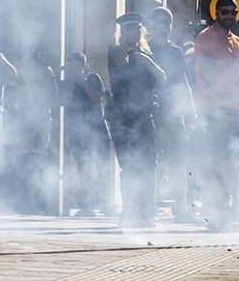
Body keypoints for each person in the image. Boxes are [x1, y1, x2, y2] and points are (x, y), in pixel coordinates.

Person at [193, 0, 239, 230]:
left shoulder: (238, 42)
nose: (229, 16)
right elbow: (203, 76)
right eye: (225, 12)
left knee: (231, 167)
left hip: (236, 113)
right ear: (216, 13)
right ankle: (215, 216)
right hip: (215, 113)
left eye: (233, 12)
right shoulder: (205, 39)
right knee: (214, 166)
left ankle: (225, 214)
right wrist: (212, 110)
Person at [107, 13, 166, 229]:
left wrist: (147, 61)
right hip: (123, 116)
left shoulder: (148, 52)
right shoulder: (115, 50)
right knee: (130, 166)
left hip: (145, 115)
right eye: (128, 30)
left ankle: (147, 212)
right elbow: (119, 63)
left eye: (136, 30)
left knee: (149, 165)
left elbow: (162, 77)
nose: (133, 33)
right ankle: (130, 211)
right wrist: (126, 47)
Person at [148, 7, 198, 223]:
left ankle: (182, 208)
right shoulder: (145, 48)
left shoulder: (176, 51)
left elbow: (182, 81)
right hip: (149, 111)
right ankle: (147, 206)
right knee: (149, 160)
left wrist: (191, 110)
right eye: (160, 21)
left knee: (179, 159)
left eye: (167, 21)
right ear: (152, 24)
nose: (164, 25)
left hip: (172, 112)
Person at [62, 52, 113, 216]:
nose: (73, 69)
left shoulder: (93, 78)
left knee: (102, 168)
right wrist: (70, 82)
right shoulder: (66, 82)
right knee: (83, 169)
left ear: (84, 66)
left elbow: (95, 97)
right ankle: (88, 206)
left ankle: (107, 204)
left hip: (97, 129)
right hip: (77, 131)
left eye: (76, 66)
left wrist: (82, 79)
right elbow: (65, 102)